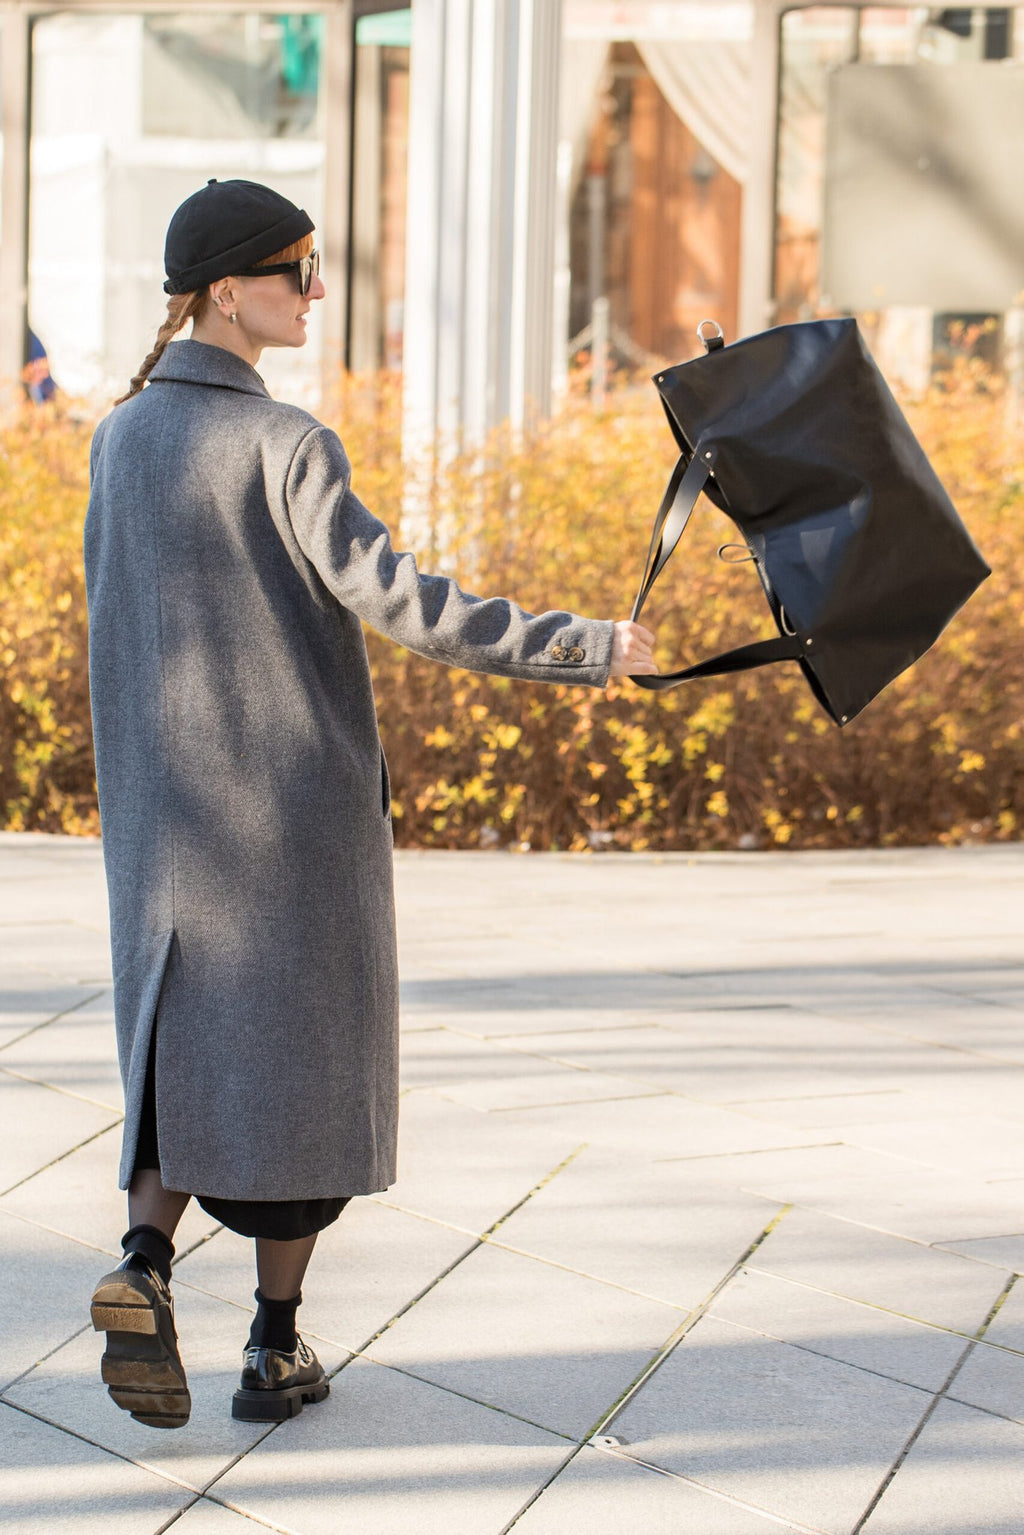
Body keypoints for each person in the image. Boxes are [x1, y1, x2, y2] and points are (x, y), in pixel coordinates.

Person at [84, 178, 657, 1430]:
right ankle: (273, 1344)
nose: (318, 290)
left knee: (180, 1059)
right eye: (298, 269)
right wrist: (584, 646)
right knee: (294, 1085)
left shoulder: (119, 436)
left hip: (165, 825)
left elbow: (108, 630)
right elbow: (414, 606)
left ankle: (142, 1262)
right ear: (228, 291)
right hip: (285, 827)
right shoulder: (284, 446)